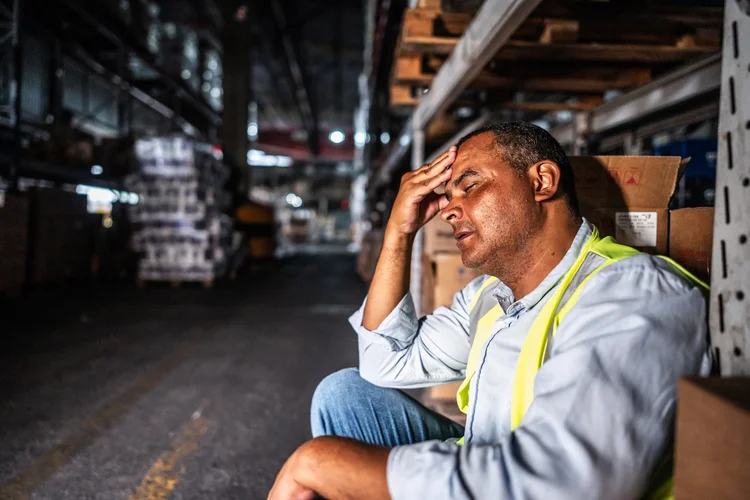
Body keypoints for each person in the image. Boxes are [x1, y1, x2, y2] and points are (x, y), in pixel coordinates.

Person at [268, 122, 711, 500]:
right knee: (344, 394)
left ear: (542, 182)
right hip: (489, 459)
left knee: (330, 457)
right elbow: (386, 363)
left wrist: (321, 462)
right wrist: (399, 234)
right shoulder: (491, 296)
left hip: (535, 485)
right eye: (448, 194)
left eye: (471, 185)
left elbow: (562, 484)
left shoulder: (632, 292)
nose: (448, 210)